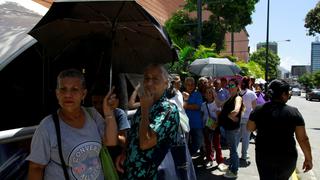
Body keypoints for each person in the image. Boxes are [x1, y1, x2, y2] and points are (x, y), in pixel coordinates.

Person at [27, 68, 118, 179]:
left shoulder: (92, 115)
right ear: (57, 94)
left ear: (83, 94)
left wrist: (109, 114)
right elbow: (36, 167)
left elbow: (111, 141)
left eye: (74, 90)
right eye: (63, 89)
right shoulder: (47, 126)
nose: (68, 95)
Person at [116, 64, 180, 179]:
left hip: (151, 174)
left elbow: (145, 142)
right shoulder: (146, 105)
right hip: (132, 171)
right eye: (147, 78)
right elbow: (133, 134)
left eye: (155, 79)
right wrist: (124, 153)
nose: (149, 83)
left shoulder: (168, 109)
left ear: (166, 84)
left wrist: (145, 110)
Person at [247, 79, 313, 180]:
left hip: (264, 155)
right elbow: (303, 139)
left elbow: (249, 128)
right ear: (283, 94)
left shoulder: (259, 109)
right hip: (287, 157)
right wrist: (308, 158)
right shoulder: (294, 112)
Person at [218, 78, 244, 178]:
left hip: (232, 129)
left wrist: (230, 115)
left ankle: (234, 171)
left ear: (237, 87)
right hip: (227, 128)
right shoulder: (230, 97)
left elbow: (236, 109)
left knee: (233, 150)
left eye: (232, 85)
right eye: (229, 86)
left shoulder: (237, 98)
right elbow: (220, 104)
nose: (230, 88)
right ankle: (232, 167)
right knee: (232, 149)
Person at [200, 87, 228, 171]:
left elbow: (219, 115)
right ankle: (209, 159)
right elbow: (202, 115)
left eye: (210, 93)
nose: (209, 94)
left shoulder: (216, 104)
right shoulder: (203, 105)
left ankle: (220, 161)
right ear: (204, 95)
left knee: (217, 145)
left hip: (215, 127)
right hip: (206, 127)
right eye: (207, 93)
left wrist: (216, 123)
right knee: (208, 143)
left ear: (213, 95)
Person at [183, 77, 204, 156]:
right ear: (185, 85)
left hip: (196, 123)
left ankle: (190, 154)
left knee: (198, 142)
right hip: (185, 124)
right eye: (188, 84)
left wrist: (185, 105)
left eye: (192, 84)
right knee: (185, 143)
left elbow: (197, 107)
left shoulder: (198, 94)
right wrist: (189, 105)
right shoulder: (181, 95)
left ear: (195, 85)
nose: (190, 86)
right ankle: (187, 157)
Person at [239, 76, 257, 162]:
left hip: (238, 118)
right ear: (249, 83)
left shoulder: (238, 92)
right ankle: (244, 155)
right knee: (246, 138)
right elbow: (255, 108)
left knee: (236, 137)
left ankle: (233, 152)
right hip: (248, 118)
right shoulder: (252, 93)